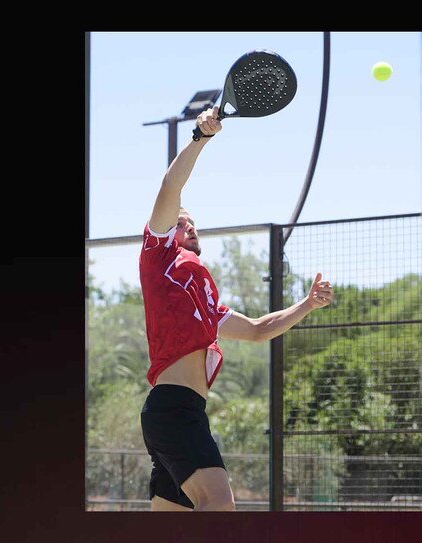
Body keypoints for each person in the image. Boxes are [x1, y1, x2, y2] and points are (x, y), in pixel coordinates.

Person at [138, 105, 334, 511]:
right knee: (220, 505)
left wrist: (307, 304)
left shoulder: (205, 297)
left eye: (192, 223)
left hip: (184, 411)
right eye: (180, 221)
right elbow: (169, 187)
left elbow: (261, 329)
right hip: (173, 409)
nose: (188, 225)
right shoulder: (158, 258)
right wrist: (200, 138)